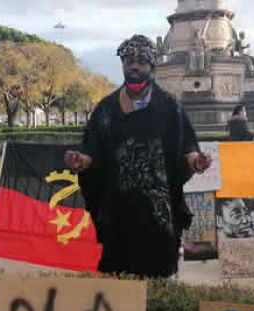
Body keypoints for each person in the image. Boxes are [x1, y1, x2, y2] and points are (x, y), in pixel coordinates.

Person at [64, 34, 211, 278]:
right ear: (122, 64)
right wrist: (82, 161)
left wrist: (196, 161)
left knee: (158, 275)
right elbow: (92, 149)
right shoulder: (106, 109)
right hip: (117, 210)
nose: (134, 66)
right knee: (117, 275)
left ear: (151, 66)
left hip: (158, 213)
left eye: (141, 61)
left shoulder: (168, 107)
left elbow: (186, 145)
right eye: (129, 61)